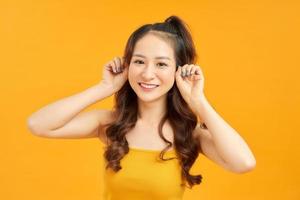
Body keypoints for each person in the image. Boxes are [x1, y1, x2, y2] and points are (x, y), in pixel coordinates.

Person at [27, 15, 256, 200]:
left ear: (178, 70)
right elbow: (38, 124)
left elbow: (244, 163)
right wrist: (103, 87)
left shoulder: (189, 134)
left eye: (161, 64)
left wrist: (198, 101)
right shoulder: (110, 124)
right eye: (139, 61)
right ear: (127, 65)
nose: (147, 74)